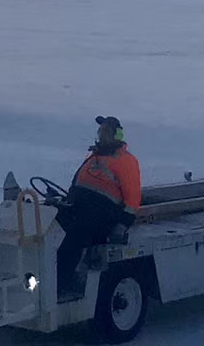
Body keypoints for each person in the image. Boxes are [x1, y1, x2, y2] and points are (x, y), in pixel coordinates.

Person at [55, 115, 142, 300]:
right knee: (51, 224)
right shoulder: (94, 156)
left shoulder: (126, 161)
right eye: (100, 131)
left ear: (117, 135)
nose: (101, 135)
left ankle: (60, 284)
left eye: (106, 131)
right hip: (80, 208)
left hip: (103, 215)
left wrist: (123, 224)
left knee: (74, 238)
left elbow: (133, 198)